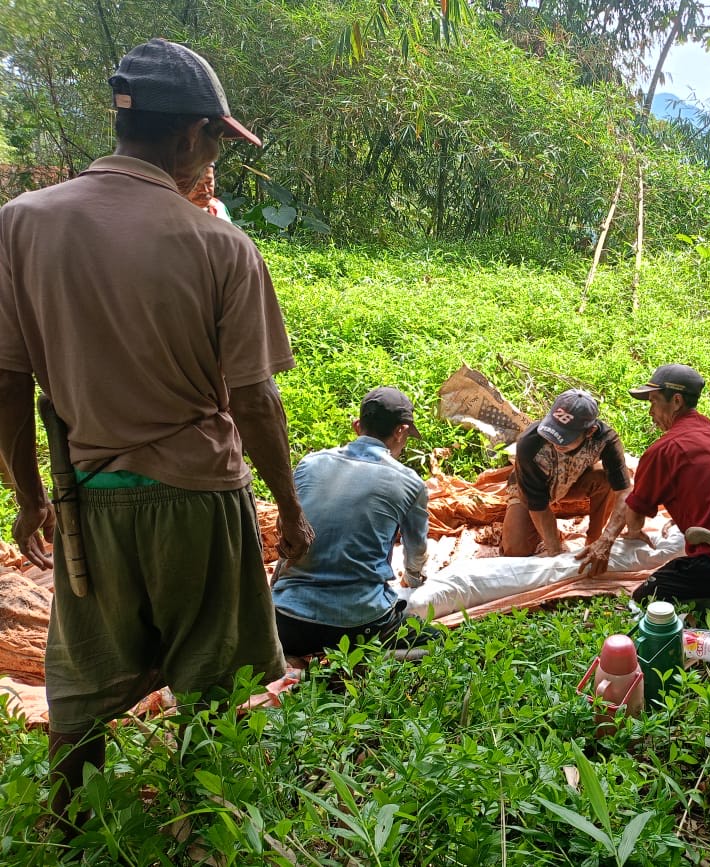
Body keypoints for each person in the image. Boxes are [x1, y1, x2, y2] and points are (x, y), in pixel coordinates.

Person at [0, 38, 313, 826]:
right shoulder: (220, 246)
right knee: (216, 683)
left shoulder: (19, 225)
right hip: (201, 500)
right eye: (215, 141)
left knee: (80, 686)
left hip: (87, 499)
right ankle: (203, 826)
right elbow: (256, 401)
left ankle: (72, 828)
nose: (213, 159)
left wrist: (29, 494)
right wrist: (291, 509)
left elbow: (6, 381)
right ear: (187, 137)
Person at [577, 365, 710, 603]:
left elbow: (634, 520)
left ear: (677, 401)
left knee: (646, 597)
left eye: (654, 401)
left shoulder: (664, 450)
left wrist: (624, 532)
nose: (650, 411)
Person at [273, 387, 437, 657]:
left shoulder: (309, 464)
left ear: (357, 426)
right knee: (435, 643)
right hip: (360, 622)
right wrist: (412, 578)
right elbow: (416, 550)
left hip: (288, 623)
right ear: (400, 431)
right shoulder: (410, 482)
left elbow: (287, 534)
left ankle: (311, 660)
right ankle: (364, 659)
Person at [500, 388, 631, 557]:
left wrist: (606, 540)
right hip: (532, 490)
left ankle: (593, 539)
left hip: (572, 481)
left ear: (590, 432)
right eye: (553, 430)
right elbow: (538, 505)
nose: (555, 440)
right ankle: (547, 533)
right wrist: (555, 552)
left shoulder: (606, 440)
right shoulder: (529, 443)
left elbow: (624, 491)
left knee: (608, 479)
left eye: (565, 437)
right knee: (516, 549)